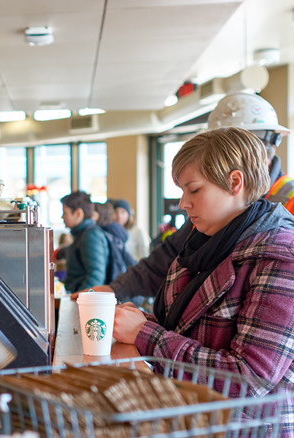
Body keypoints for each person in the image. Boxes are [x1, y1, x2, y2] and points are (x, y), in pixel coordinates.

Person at [113, 127, 294, 434]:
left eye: (193, 190)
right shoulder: (207, 242)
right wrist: (140, 322)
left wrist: (145, 333)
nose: (183, 203)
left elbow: (248, 380)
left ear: (235, 182)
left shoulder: (280, 255)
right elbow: (187, 330)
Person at [81, 92, 294, 302]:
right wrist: (114, 290)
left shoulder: (286, 216)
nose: (184, 203)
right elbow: (168, 258)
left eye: (194, 189)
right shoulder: (212, 210)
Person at [60, 191, 109, 293]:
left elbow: (96, 276)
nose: (62, 217)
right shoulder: (82, 234)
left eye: (65, 212)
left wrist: (80, 299)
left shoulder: (90, 235)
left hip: (85, 303)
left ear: (78, 213)